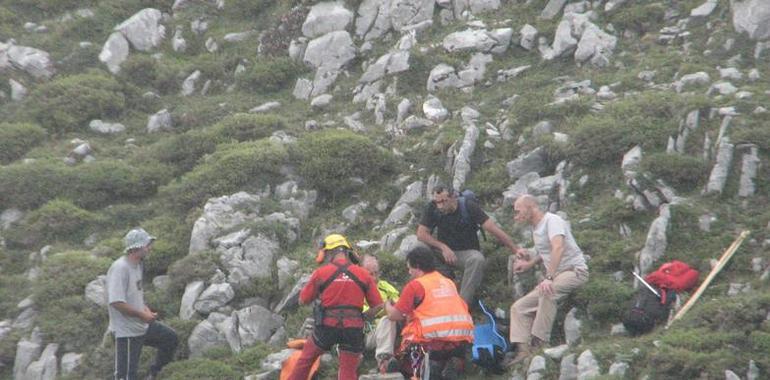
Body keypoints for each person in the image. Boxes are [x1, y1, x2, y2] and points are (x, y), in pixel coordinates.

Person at [288, 234, 383, 380]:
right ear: (347, 252)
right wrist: (362, 317)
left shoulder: (321, 273)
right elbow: (378, 305)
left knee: (305, 360)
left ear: (328, 253)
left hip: (327, 327)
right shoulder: (363, 274)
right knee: (348, 370)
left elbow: (302, 300)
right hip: (353, 328)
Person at [507, 195, 589, 364]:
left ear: (531, 206)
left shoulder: (552, 220)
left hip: (574, 271)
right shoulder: (536, 227)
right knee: (518, 308)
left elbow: (558, 247)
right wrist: (529, 264)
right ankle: (523, 351)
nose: (516, 216)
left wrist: (549, 277)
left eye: (518, 211)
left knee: (547, 292)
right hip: (556, 275)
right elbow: (545, 252)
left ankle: (540, 343)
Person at [417, 184, 521, 305]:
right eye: (437, 201)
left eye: (443, 201)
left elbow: (493, 229)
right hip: (443, 252)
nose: (439, 206)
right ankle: (435, 285)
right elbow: (421, 234)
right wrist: (443, 247)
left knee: (477, 259)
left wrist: (516, 249)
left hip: (464, 253)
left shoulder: (468, 206)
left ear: (453, 197)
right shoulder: (432, 207)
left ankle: (462, 305)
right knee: (418, 247)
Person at [385, 246, 474, 380]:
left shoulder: (415, 285)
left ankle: (423, 368)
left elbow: (394, 315)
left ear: (418, 266)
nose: (409, 272)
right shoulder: (448, 282)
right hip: (460, 341)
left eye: (410, 268)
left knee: (406, 349)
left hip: (430, 342)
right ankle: (450, 363)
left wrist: (387, 305)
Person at [106, 228, 178, 380]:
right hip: (126, 332)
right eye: (147, 244)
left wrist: (146, 311)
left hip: (141, 326)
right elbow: (116, 302)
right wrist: (141, 315)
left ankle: (155, 374)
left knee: (170, 338)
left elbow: (136, 293)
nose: (150, 248)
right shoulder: (120, 268)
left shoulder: (138, 265)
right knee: (125, 376)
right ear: (137, 247)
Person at [360, 254, 400, 374]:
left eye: (376, 273)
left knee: (389, 319)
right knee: (387, 320)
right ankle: (384, 360)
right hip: (367, 332)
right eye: (370, 274)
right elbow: (365, 315)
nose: (374, 277)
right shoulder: (357, 289)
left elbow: (400, 306)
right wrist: (384, 306)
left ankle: (386, 362)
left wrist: (395, 306)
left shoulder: (385, 287)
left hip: (390, 329)